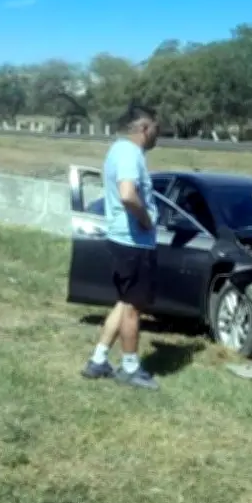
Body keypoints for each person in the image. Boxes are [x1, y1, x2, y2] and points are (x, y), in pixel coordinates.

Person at [80, 104, 161, 390]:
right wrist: (147, 220)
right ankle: (129, 368)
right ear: (144, 128)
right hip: (132, 241)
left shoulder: (117, 149)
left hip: (123, 238)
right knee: (133, 308)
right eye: (156, 128)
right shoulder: (129, 153)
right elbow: (128, 194)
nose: (157, 135)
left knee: (124, 301)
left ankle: (98, 360)